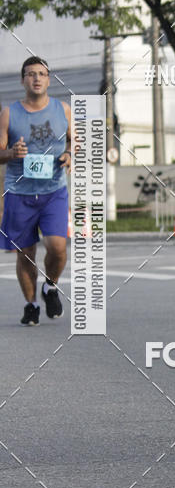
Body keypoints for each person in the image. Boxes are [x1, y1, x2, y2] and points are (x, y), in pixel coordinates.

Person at [0, 56, 71, 325]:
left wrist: (69, 155)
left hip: (53, 190)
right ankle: (31, 305)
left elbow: (74, 141)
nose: (37, 78)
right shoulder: (9, 113)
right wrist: (10, 153)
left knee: (57, 247)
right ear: (22, 80)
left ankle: (50, 286)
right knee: (25, 254)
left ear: (48, 80)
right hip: (20, 193)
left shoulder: (62, 109)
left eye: (41, 74)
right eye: (31, 74)